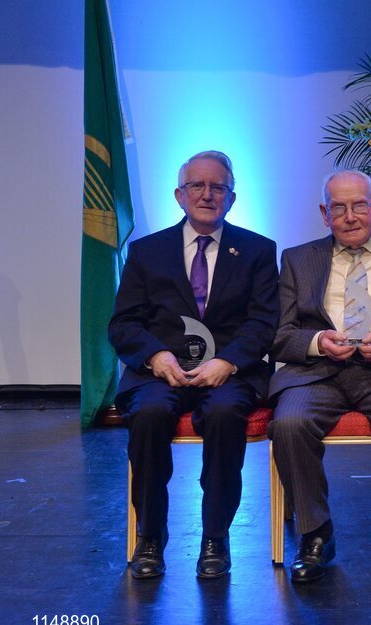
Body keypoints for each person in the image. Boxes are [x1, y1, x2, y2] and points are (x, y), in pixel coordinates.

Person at [110, 150, 279, 579]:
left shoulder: (258, 250)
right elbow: (123, 323)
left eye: (217, 186)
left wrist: (228, 361)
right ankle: (150, 535)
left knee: (224, 415)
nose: (207, 194)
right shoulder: (147, 252)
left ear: (232, 197)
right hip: (161, 371)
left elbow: (264, 321)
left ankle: (215, 537)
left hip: (229, 372)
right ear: (179, 195)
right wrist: (155, 355)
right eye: (197, 186)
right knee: (148, 414)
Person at [268, 170, 371, 584]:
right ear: (325, 214)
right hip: (318, 372)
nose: (351, 216)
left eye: (360, 205)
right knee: (288, 424)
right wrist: (318, 340)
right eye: (339, 207)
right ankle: (315, 534)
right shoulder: (297, 259)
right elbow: (279, 334)